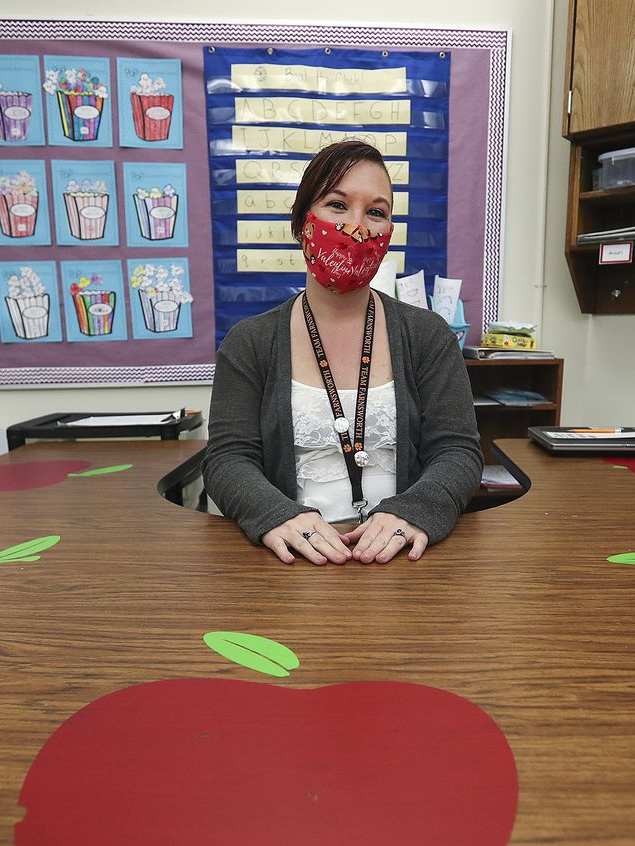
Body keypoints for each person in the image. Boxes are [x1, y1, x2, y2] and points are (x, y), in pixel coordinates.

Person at [204, 140, 483, 565]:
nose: (357, 227)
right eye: (337, 205)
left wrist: (415, 511)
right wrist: (276, 515)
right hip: (296, 558)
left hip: (404, 556)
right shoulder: (250, 342)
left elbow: (459, 451)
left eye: (376, 212)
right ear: (302, 222)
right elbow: (228, 458)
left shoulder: (428, 335)